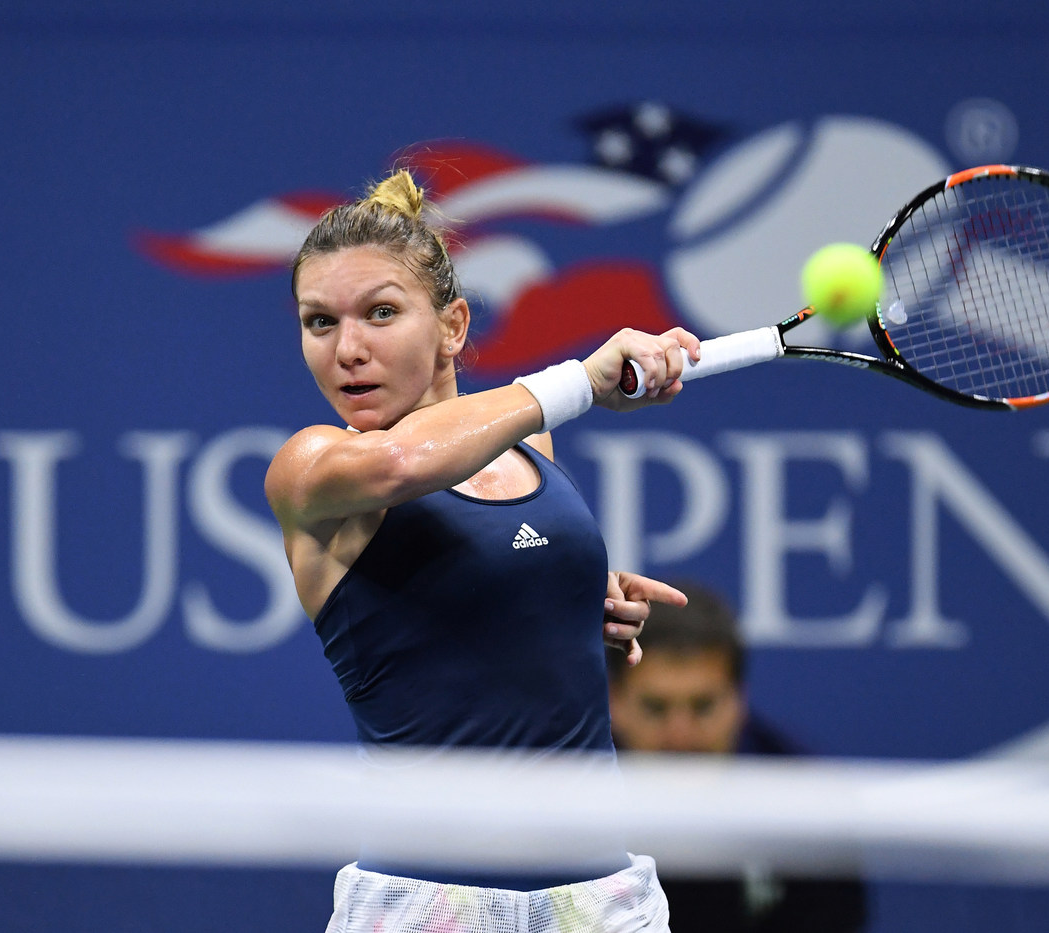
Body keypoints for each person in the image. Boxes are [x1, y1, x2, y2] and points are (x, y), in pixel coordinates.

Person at [265, 168, 695, 933]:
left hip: (598, 899)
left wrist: (575, 595)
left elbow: (496, 589)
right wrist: (579, 380)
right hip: (427, 903)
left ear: (454, 326)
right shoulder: (312, 469)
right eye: (319, 321)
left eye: (381, 312)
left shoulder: (531, 443)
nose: (348, 348)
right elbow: (402, 462)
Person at [607, 581, 869, 932]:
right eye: (656, 707)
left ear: (738, 700)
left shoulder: (812, 809)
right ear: (615, 701)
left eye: (703, 706)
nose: (680, 735)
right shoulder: (561, 794)